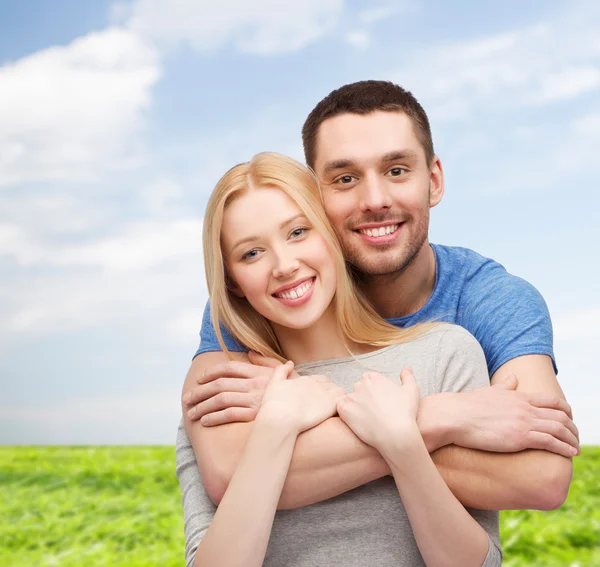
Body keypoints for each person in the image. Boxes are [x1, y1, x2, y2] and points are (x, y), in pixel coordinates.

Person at [181, 80, 577, 514]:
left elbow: (541, 479)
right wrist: (446, 417)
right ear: (315, 196)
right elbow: (227, 473)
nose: (375, 200)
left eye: (397, 170)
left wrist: (310, 428)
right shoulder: (274, 296)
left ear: (435, 180)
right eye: (346, 178)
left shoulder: (492, 299)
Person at [177, 151, 502, 566]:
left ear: (329, 233)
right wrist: (277, 425)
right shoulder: (227, 398)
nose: (284, 265)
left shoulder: (444, 353)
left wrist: (402, 442)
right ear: (232, 282)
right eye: (251, 254)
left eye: (297, 232)